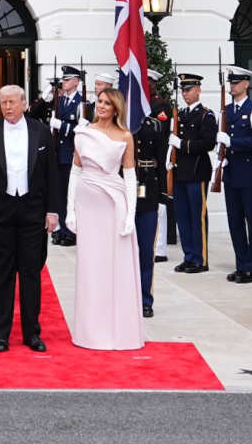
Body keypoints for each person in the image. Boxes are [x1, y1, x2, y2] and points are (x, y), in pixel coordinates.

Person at [0, 84, 59, 352]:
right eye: (4, 103)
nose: (8, 107)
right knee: (2, 275)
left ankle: (32, 333)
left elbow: (51, 172)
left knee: (31, 273)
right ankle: (1, 334)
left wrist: (53, 210)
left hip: (33, 211)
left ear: (24, 104)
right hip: (0, 212)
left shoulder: (41, 131)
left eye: (13, 102)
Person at [66, 88, 144, 349]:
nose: (100, 106)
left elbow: (130, 176)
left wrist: (131, 215)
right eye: (99, 101)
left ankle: (118, 331)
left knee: (115, 267)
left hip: (114, 204)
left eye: (107, 103)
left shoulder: (125, 136)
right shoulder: (83, 133)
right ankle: (90, 332)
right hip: (87, 206)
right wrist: (70, 210)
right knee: (91, 268)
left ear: (116, 109)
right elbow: (75, 171)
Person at [216, 66, 252, 284]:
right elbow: (220, 141)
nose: (232, 86)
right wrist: (221, 154)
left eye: (236, 82)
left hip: (249, 174)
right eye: (231, 82)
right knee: (235, 222)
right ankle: (241, 265)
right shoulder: (226, 110)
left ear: (246, 84)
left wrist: (232, 142)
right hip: (231, 173)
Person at [168, 72, 217, 273]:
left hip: (197, 172)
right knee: (183, 217)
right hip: (180, 172)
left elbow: (208, 143)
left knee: (198, 217)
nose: (185, 93)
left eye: (188, 90)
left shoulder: (206, 115)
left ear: (198, 90)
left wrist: (182, 144)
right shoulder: (180, 115)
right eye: (183, 90)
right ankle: (189, 256)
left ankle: (201, 259)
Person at [47, 65, 91, 246]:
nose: (63, 83)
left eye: (67, 80)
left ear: (76, 82)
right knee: (59, 193)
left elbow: (82, 131)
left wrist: (62, 126)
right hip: (58, 154)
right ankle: (60, 229)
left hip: (72, 154)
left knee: (71, 194)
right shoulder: (59, 101)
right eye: (63, 80)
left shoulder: (83, 104)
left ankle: (71, 231)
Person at [133, 101, 168, 317]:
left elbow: (161, 161)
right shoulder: (117, 124)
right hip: (122, 191)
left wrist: (163, 196)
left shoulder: (154, 125)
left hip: (148, 190)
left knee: (146, 249)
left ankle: (145, 298)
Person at [147, 70, 173, 262]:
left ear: (153, 84)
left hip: (157, 158)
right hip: (144, 160)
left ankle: (160, 249)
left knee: (159, 202)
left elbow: (160, 134)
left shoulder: (159, 105)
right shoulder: (141, 103)